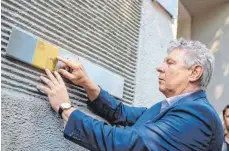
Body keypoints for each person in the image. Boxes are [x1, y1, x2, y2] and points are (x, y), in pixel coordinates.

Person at [37, 38, 224, 151]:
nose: (159, 67)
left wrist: (65, 108)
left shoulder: (199, 115)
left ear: (194, 73)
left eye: (170, 63)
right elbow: (122, 114)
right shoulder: (169, 107)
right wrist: (87, 83)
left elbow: (128, 144)